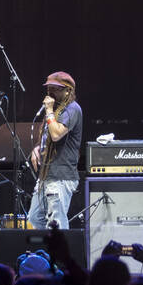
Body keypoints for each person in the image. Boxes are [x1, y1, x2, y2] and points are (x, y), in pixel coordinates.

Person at [28, 71, 83, 230]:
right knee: (33, 219)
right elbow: (48, 137)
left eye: (56, 89)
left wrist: (49, 111)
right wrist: (38, 148)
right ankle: (46, 252)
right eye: (49, 88)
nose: (51, 92)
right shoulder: (54, 112)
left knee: (56, 224)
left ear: (68, 91)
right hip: (46, 176)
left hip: (61, 177)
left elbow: (57, 134)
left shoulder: (72, 109)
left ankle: (60, 254)